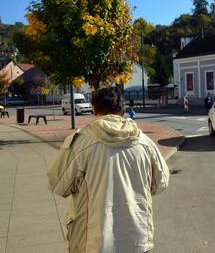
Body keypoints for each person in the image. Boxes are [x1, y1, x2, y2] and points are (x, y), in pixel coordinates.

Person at [47, 87, 169, 253]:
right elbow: (160, 183)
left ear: (94, 109)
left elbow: (58, 184)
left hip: (92, 241)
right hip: (136, 239)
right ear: (123, 110)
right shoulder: (145, 143)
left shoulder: (79, 143)